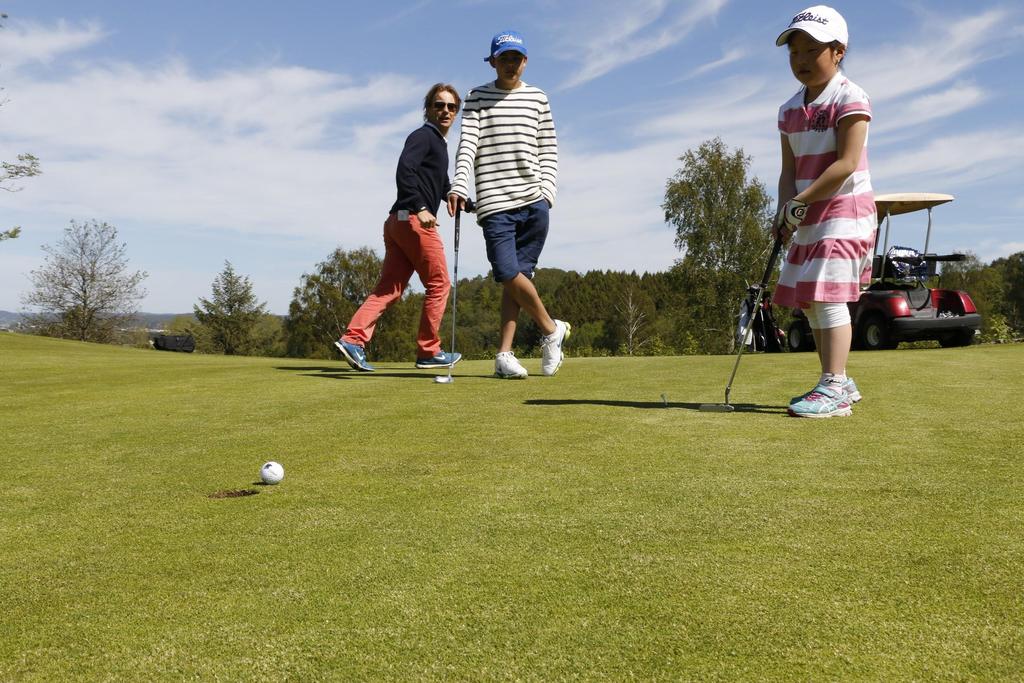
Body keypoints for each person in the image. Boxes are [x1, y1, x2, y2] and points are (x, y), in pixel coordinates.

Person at [447, 30, 570, 379]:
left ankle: (504, 354)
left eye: (516, 58)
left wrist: (547, 192)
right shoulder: (476, 97)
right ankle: (551, 329)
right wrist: (459, 185)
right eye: (504, 58)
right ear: (493, 62)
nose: (511, 64)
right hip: (494, 203)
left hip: (534, 201)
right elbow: (467, 146)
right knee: (506, 272)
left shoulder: (538, 98)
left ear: (525, 61)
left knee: (518, 278)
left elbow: (548, 148)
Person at [772, 6, 876, 417]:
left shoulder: (851, 97)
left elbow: (846, 163)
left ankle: (833, 385)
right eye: (794, 52)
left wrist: (800, 201)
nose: (800, 60)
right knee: (812, 301)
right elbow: (788, 171)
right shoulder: (787, 110)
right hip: (808, 215)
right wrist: (785, 210)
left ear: (838, 51)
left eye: (811, 50)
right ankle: (838, 382)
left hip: (845, 210)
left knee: (827, 294)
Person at [335, 84, 463, 372]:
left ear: (456, 113)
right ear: (428, 109)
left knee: (389, 289)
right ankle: (429, 351)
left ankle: (353, 339)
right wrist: (421, 208)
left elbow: (442, 185)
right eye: (439, 105)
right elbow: (405, 170)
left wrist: (464, 202)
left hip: (398, 221)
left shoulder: (438, 145)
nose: (445, 111)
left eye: (451, 107)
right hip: (413, 219)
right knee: (439, 284)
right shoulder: (423, 136)